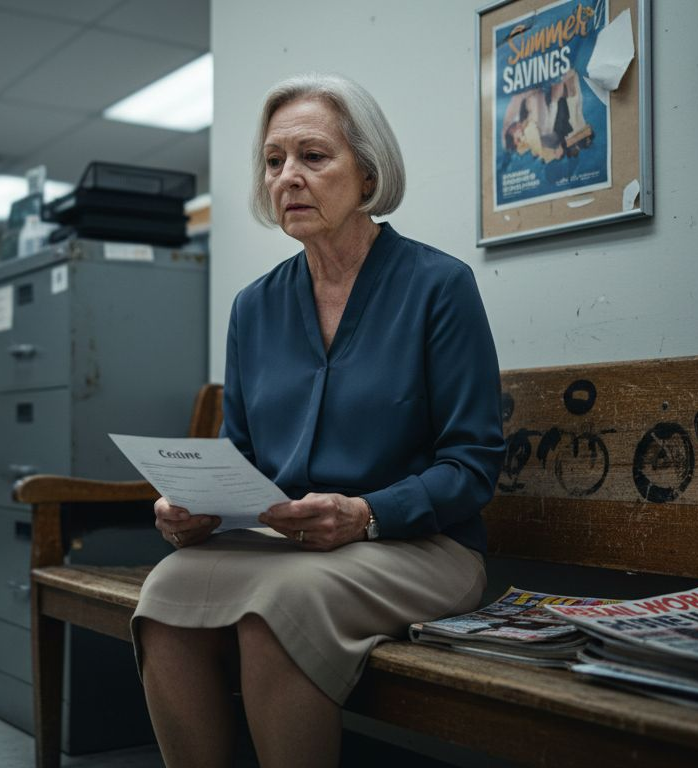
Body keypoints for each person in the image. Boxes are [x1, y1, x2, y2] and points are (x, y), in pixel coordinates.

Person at [132, 73, 506, 768]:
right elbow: (239, 450)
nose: (288, 178)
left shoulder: (439, 287)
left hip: (421, 547)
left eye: (313, 156)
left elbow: (472, 466)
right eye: (274, 162)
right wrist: (200, 509)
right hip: (290, 548)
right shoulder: (253, 307)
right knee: (165, 593)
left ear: (368, 172)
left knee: (280, 603)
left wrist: (364, 513)